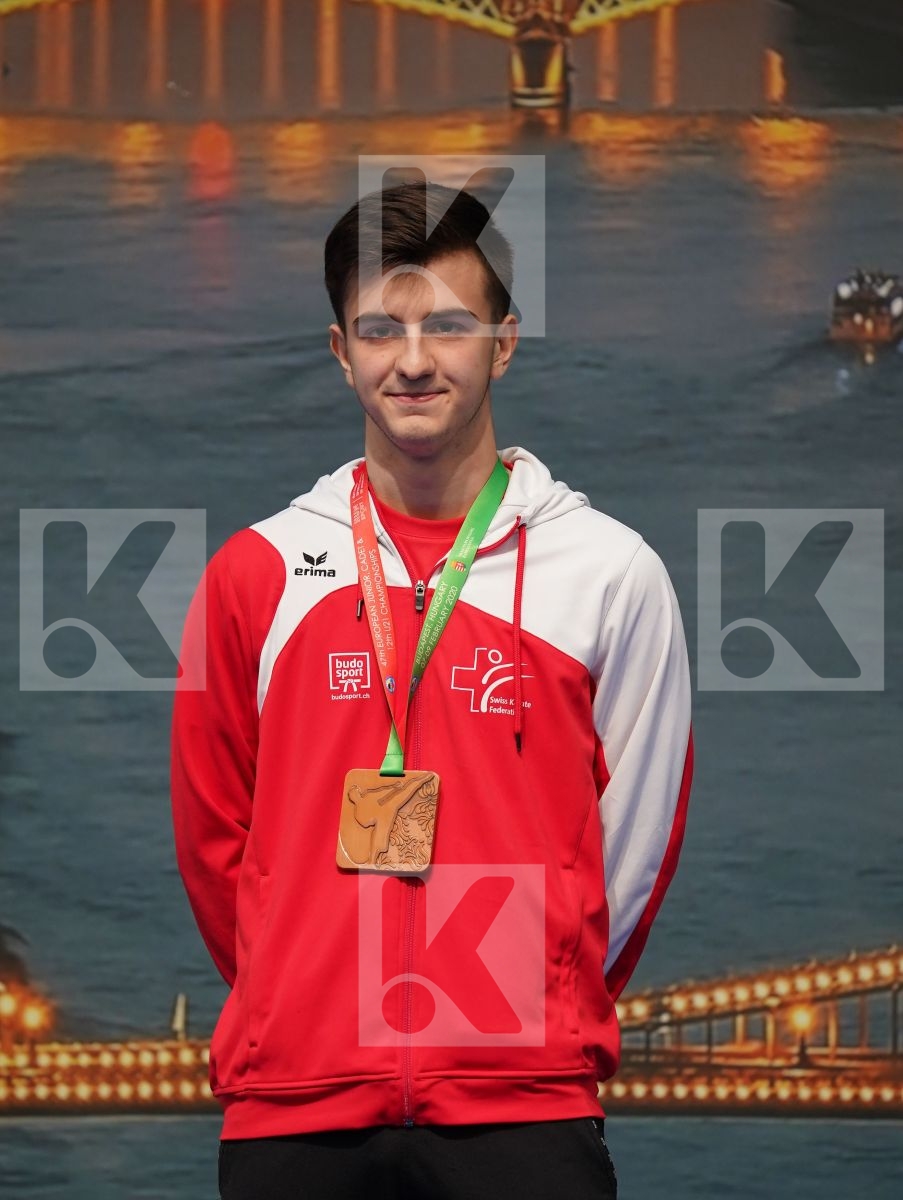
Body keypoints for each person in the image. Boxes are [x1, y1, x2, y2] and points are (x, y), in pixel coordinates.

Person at [171, 180, 693, 1200]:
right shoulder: (255, 573)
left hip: (524, 1106)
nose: (414, 361)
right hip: (297, 1108)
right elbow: (212, 841)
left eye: (447, 326)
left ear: (503, 342)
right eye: (382, 330)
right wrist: (298, 993)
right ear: (340, 352)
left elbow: (633, 845)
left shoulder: (609, 572)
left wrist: (539, 1005)